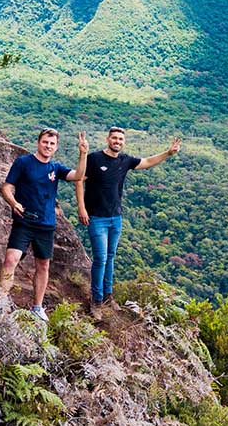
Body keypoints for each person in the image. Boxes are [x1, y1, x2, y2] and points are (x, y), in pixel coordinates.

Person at [76, 127, 180, 306]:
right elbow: (78, 180)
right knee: (100, 258)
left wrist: (168, 153)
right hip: (96, 217)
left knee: (110, 256)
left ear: (124, 142)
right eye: (114, 138)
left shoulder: (125, 160)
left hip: (116, 217)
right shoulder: (94, 158)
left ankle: (108, 296)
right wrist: (81, 208)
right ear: (108, 139)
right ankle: (96, 300)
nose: (117, 141)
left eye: (120, 139)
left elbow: (147, 162)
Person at [0, 128, 89, 321]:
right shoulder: (23, 162)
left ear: (56, 147)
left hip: (46, 224)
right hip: (24, 221)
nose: (48, 146)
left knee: (43, 265)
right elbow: (7, 187)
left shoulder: (56, 169)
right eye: (45, 142)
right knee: (10, 260)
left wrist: (83, 154)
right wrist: (14, 202)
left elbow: (78, 176)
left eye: (52, 144)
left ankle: (37, 307)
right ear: (38, 142)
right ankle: (1, 302)